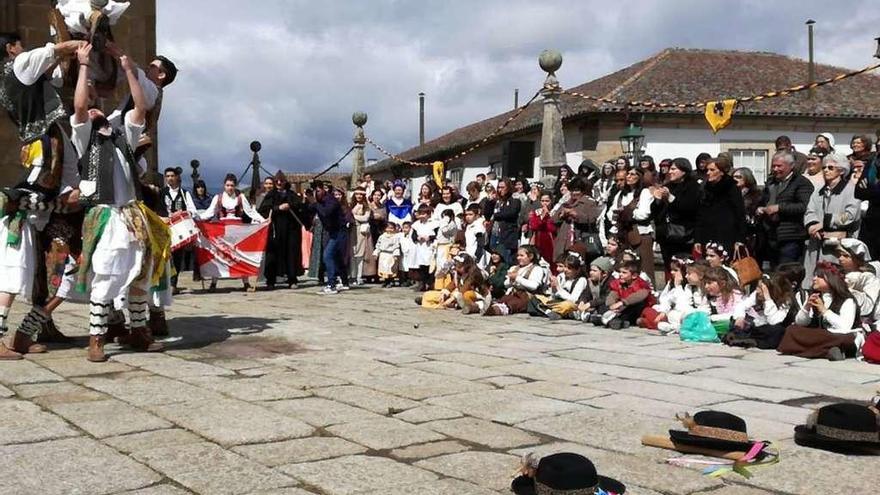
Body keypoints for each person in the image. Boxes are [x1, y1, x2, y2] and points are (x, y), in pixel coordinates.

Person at [70, 44, 168, 362]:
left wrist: (128, 69)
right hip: (106, 214)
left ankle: (137, 330)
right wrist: (84, 65)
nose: (95, 107)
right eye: (93, 105)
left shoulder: (123, 133)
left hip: (132, 214)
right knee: (107, 273)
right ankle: (96, 338)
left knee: (141, 271)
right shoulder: (85, 136)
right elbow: (80, 106)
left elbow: (140, 106)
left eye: (99, 104)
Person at [0, 34, 86, 358]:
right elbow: (53, 52)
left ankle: (34, 328)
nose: (25, 48)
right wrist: (77, 42)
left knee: (55, 269)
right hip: (37, 176)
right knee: (13, 262)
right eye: (20, 44)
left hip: (49, 183)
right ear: (11, 48)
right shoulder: (19, 65)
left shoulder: (32, 80)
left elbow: (57, 69)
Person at [778, 263, 861, 361]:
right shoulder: (814, 295)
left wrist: (824, 311)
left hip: (838, 335)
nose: (814, 279)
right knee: (792, 330)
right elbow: (800, 323)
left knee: (843, 338)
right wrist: (807, 307)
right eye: (815, 275)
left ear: (832, 279)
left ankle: (824, 350)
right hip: (821, 334)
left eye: (820, 277)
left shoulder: (847, 300)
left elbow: (844, 326)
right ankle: (828, 351)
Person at [802, 153, 861, 287]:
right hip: (816, 244)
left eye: (830, 167)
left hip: (838, 246)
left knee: (835, 282)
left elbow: (850, 215)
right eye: (824, 168)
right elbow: (809, 211)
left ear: (841, 170)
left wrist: (826, 223)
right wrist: (812, 225)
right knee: (814, 282)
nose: (826, 170)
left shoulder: (851, 190)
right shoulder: (818, 191)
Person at [199, 173, 266, 292]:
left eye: (232, 185)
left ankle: (245, 282)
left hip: (237, 230)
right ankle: (214, 282)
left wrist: (263, 220)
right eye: (227, 185)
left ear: (235, 186)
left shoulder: (240, 197)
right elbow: (209, 213)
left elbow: (250, 212)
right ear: (224, 185)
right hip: (222, 229)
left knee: (239, 255)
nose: (229, 187)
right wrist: (197, 219)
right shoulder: (218, 198)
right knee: (218, 254)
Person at [757, 152, 815, 269]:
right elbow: (763, 201)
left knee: (786, 272)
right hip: (770, 236)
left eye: (779, 166)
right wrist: (760, 208)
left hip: (790, 236)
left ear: (791, 166)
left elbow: (804, 206)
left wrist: (779, 208)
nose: (775, 169)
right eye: (773, 166)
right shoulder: (771, 182)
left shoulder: (801, 183)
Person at [652, 157, 701, 278]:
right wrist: (657, 200)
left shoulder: (692, 187)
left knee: (682, 266)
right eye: (670, 169)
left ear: (684, 171)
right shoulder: (668, 186)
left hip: (683, 235)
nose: (670, 172)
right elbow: (656, 212)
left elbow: (688, 209)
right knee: (669, 267)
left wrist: (670, 198)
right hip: (666, 235)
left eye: (674, 169)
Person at [608, 168, 656, 287]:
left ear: (639, 177)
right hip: (623, 234)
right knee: (623, 267)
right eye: (628, 174)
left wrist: (627, 213)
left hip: (640, 235)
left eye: (632, 174)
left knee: (644, 268)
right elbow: (610, 213)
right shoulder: (620, 194)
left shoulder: (644, 193)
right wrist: (617, 214)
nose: (628, 176)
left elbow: (644, 213)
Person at [258, 172, 304, 290]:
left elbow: (300, 206)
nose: (279, 183)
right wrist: (278, 208)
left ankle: (292, 279)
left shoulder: (291, 194)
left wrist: (290, 205)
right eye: (277, 181)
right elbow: (263, 211)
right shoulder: (270, 195)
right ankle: (270, 280)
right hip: (275, 229)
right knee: (272, 255)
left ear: (285, 182)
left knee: (292, 253)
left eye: (281, 181)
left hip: (291, 230)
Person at [695, 157, 747, 256]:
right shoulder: (705, 188)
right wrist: (697, 239)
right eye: (707, 170)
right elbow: (700, 214)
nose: (708, 173)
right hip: (707, 235)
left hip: (727, 236)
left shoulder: (731, 187)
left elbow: (740, 214)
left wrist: (740, 239)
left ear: (722, 172)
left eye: (712, 170)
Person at [157, 167, 197, 294]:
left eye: (172, 176)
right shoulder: (161, 193)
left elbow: (193, 210)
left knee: (178, 256)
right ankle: (165, 282)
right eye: (167, 176)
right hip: (165, 227)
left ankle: (174, 283)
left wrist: (183, 212)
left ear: (176, 177)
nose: (169, 178)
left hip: (179, 229)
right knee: (165, 256)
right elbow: (156, 209)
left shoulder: (185, 193)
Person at [484, 245, 548, 316]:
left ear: (531, 256)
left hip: (527, 297)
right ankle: (481, 306)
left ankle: (496, 310)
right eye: (518, 255)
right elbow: (506, 284)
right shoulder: (515, 268)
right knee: (503, 300)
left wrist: (517, 278)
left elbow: (534, 286)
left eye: (522, 255)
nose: (518, 258)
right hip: (513, 294)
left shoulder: (537, 269)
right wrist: (511, 280)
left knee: (513, 304)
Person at [307, 184, 347, 295]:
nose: (317, 193)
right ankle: (344, 282)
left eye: (319, 191)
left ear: (324, 191)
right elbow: (310, 209)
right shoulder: (321, 202)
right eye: (316, 191)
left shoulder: (331, 201)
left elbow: (325, 213)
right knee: (337, 256)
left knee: (327, 255)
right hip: (333, 231)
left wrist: (315, 203)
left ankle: (331, 285)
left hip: (339, 231)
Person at [552, 178, 602, 266]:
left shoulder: (589, 202)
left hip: (581, 238)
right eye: (572, 190)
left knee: (579, 264)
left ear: (583, 190)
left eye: (577, 190)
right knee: (563, 263)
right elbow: (554, 220)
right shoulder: (567, 202)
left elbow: (592, 219)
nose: (574, 193)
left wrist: (574, 214)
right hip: (565, 239)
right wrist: (561, 215)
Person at [604, 259, 654, 330]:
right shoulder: (619, 283)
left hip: (638, 311)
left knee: (636, 305)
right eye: (620, 272)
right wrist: (611, 305)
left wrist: (622, 303)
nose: (620, 274)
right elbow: (613, 294)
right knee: (605, 306)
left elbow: (641, 295)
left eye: (624, 273)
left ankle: (619, 321)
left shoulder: (640, 284)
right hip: (622, 309)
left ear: (634, 275)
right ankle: (611, 319)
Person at [538, 253, 588, 321]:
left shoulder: (581, 280)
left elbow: (573, 299)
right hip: (556, 302)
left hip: (569, 304)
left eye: (569, 268)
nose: (565, 270)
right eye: (565, 267)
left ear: (577, 270)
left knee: (568, 305)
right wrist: (553, 288)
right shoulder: (561, 276)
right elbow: (553, 295)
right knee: (536, 298)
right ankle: (551, 312)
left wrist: (558, 287)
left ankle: (548, 311)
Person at [490, 179, 522, 265]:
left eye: (503, 187)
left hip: (507, 235)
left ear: (508, 188)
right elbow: (488, 214)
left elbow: (511, 213)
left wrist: (496, 215)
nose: (500, 190)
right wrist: (490, 202)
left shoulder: (514, 199)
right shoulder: (498, 201)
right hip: (495, 233)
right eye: (499, 187)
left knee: (506, 261)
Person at [575, 256, 614, 323]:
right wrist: (582, 301)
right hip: (594, 305)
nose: (591, 273)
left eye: (594, 271)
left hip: (603, 305)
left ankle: (593, 316)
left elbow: (605, 297)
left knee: (603, 308)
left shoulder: (611, 282)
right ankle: (585, 314)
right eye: (591, 270)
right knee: (576, 304)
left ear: (604, 273)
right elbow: (585, 293)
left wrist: (590, 304)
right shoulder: (591, 281)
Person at [348, 187, 373, 286]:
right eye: (357, 194)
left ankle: (358, 276)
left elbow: (365, 217)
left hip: (361, 231)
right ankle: (352, 275)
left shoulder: (366, 206)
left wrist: (353, 216)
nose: (359, 196)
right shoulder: (351, 205)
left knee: (360, 254)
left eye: (361, 194)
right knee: (352, 253)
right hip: (351, 230)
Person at [411, 204, 437, 292]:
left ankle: (430, 284)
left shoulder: (433, 224)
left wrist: (429, 237)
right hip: (420, 247)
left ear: (429, 214)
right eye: (420, 214)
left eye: (424, 214)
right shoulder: (416, 225)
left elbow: (437, 235)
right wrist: (417, 238)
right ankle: (422, 284)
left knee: (430, 266)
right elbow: (413, 236)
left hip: (430, 247)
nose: (422, 216)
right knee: (422, 266)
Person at [528, 192, 557, 269]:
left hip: (551, 240)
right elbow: (533, 226)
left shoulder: (554, 212)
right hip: (539, 239)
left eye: (547, 201)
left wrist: (548, 216)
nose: (544, 203)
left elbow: (552, 228)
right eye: (542, 201)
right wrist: (542, 218)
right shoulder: (537, 212)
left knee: (552, 261)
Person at [373, 222, 400, 287]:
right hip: (383, 254)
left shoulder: (395, 237)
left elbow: (396, 246)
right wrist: (376, 253)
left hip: (391, 254)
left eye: (392, 228)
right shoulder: (382, 237)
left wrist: (396, 255)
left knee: (391, 268)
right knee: (384, 268)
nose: (390, 230)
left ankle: (390, 281)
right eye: (388, 228)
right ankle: (385, 281)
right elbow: (378, 245)